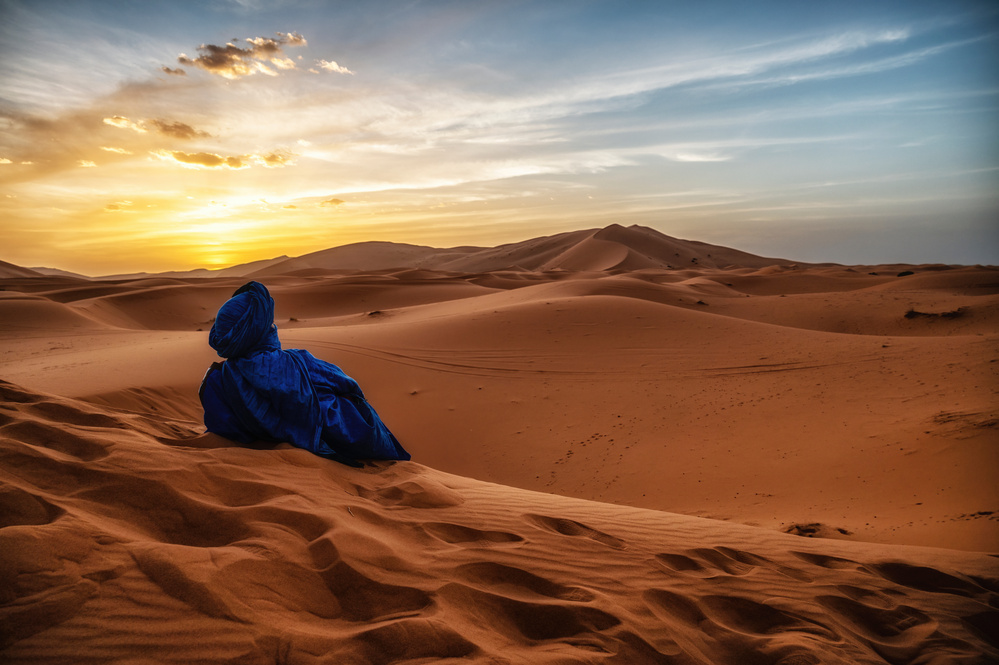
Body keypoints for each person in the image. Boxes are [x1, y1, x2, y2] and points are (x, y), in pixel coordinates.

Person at [199, 281, 410, 467]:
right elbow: (348, 385)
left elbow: (222, 427)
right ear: (261, 327)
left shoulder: (217, 380)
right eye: (268, 322)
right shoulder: (297, 362)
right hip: (340, 442)